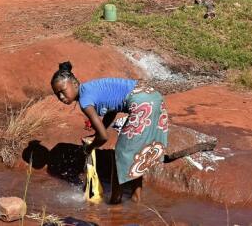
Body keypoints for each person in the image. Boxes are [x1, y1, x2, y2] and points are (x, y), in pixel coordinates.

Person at [51, 61, 168, 204]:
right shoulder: (90, 89)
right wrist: (97, 133)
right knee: (136, 153)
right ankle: (136, 198)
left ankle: (114, 202)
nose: (61, 97)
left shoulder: (85, 101)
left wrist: (90, 147)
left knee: (120, 154)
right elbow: (113, 110)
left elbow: (104, 137)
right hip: (152, 96)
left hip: (141, 103)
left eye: (62, 91)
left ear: (74, 84)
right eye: (57, 95)